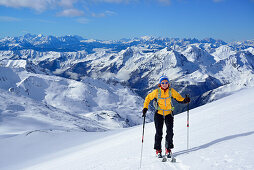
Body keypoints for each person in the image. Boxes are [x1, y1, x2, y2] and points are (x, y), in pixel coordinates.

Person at [142, 75, 190, 158]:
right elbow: (148, 98)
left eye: (166, 82)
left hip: (169, 113)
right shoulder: (157, 92)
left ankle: (168, 149)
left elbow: (178, 98)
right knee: (158, 133)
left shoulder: (171, 91)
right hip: (159, 114)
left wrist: (185, 100)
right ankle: (158, 150)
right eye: (163, 83)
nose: (164, 84)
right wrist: (145, 108)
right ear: (160, 84)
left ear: (168, 83)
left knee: (170, 132)